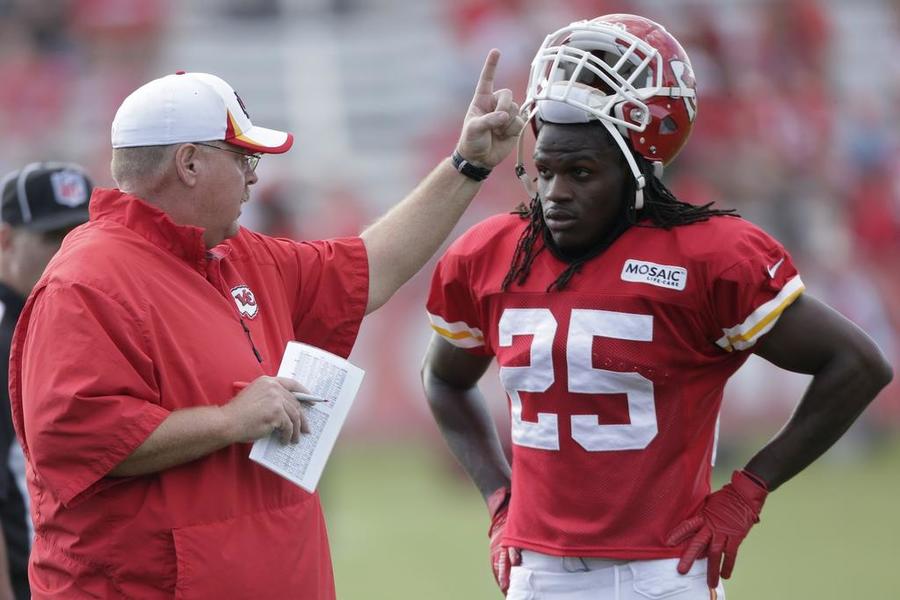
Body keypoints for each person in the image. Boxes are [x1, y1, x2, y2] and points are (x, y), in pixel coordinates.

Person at [9, 52, 524, 599]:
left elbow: (371, 268)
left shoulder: (237, 254)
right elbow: (76, 437)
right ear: (188, 163)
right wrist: (229, 419)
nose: (254, 175)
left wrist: (467, 163)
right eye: (241, 156)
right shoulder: (86, 281)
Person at [421, 14, 893, 600]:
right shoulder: (492, 253)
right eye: (544, 169)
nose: (556, 192)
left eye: (582, 171)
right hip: (536, 574)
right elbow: (444, 379)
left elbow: (858, 364)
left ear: (637, 169)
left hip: (663, 575)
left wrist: (747, 494)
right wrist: (498, 498)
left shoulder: (709, 255)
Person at [0, 163, 92, 600]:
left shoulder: (66, 318)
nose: (68, 251)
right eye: (52, 238)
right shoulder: (5, 333)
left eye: (78, 235)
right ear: (5, 239)